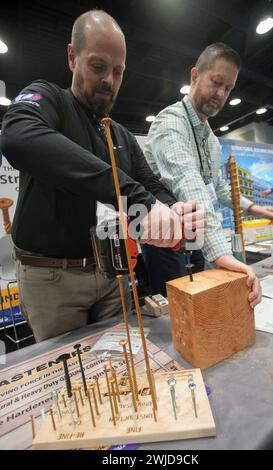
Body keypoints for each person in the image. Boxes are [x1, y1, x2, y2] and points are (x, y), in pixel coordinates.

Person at [0, 10, 205, 342]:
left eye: (118, 71)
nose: (109, 80)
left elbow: (150, 186)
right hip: (53, 280)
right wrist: (132, 195)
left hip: (113, 273)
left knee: (119, 367)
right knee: (73, 383)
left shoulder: (121, 135)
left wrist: (175, 208)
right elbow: (17, 136)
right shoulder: (49, 100)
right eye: (98, 67)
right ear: (72, 57)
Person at [144, 43, 273, 304]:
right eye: (216, 82)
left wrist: (255, 208)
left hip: (195, 237)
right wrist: (222, 253)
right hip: (166, 243)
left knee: (201, 305)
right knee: (175, 312)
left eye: (228, 88)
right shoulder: (171, 122)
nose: (221, 93)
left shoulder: (210, 138)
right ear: (195, 76)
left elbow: (218, 187)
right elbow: (190, 184)